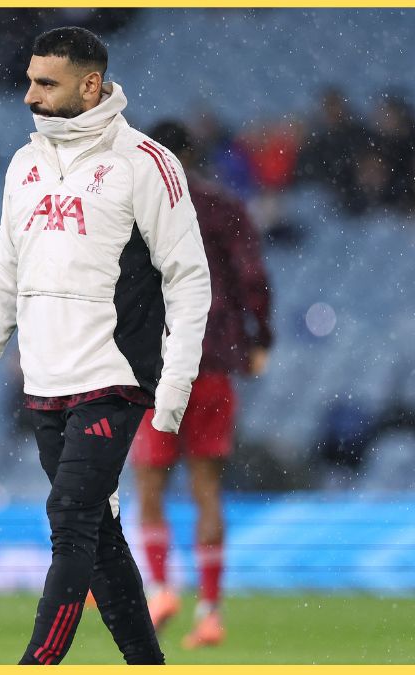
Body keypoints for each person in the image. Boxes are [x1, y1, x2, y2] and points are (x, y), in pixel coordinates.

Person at [0, 27, 210, 665]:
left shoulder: (146, 163)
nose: (29, 96)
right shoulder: (25, 164)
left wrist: (173, 387)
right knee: (100, 539)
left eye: (46, 83)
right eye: (30, 80)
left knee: (69, 524)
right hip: (42, 380)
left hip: (112, 376)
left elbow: (190, 279)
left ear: (90, 85)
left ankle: (36, 662)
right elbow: (3, 280)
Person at [129, 120, 274, 649]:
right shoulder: (224, 209)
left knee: (149, 486)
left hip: (156, 366)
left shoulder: (140, 211)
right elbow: (252, 277)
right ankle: (210, 612)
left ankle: (163, 588)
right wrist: (260, 336)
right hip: (211, 363)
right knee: (207, 490)